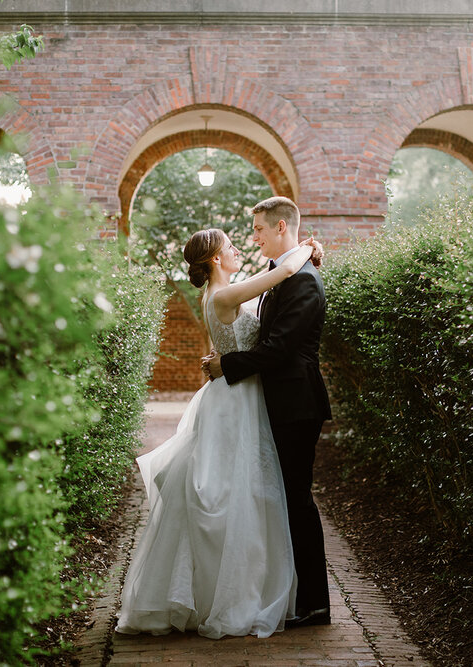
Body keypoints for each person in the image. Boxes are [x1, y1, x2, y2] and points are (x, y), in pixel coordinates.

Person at [114, 226, 321, 639]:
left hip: (237, 392)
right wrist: (306, 247)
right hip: (236, 399)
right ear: (214, 259)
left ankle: (227, 585)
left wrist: (222, 359)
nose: (238, 249)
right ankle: (226, 593)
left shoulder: (216, 295)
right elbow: (281, 274)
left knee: (237, 488)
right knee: (235, 489)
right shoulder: (226, 293)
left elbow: (229, 345)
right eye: (230, 246)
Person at [203, 196, 333, 628]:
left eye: (259, 228)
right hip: (275, 401)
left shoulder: (304, 282)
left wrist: (227, 365)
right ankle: (289, 591)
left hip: (296, 404)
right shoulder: (285, 276)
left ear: (281, 227)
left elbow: (278, 350)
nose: (253, 235)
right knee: (280, 499)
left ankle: (314, 604)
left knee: (296, 499)